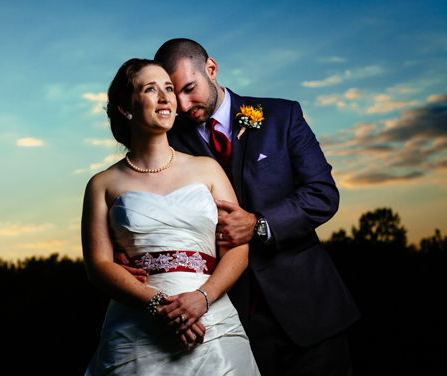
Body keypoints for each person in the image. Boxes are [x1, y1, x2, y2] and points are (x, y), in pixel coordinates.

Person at [144, 39, 360, 375]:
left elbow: (322, 194)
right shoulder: (169, 143)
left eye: (190, 88)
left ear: (211, 69)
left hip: (308, 307)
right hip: (230, 318)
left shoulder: (281, 116)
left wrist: (259, 224)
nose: (184, 105)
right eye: (175, 94)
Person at [82, 58, 260, 375]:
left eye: (169, 88)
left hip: (211, 318)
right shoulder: (102, 184)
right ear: (125, 107)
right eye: (151, 89)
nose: (166, 97)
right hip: (137, 326)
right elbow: (99, 266)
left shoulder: (207, 169)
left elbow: (237, 247)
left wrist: (202, 299)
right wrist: (159, 306)